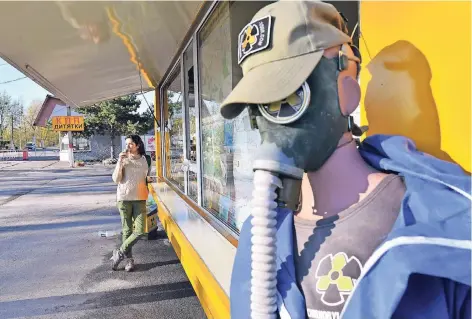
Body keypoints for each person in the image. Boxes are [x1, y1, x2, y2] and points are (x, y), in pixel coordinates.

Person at [220, 1, 471, 318]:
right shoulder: (259, 238)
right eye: (259, 103)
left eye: (289, 96)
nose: (270, 119)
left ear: (347, 90)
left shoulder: (443, 226)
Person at [110, 134, 152, 272]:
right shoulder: (123, 158)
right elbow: (116, 179)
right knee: (127, 231)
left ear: (138, 145)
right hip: (124, 198)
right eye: (126, 144)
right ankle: (129, 261)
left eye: (130, 144)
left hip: (140, 198)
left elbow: (146, 177)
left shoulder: (146, 159)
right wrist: (119, 162)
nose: (127, 146)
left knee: (139, 231)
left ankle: (120, 252)